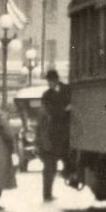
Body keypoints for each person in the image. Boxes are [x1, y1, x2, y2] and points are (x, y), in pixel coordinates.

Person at [38, 69, 71, 202]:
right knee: (50, 167)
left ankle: (69, 175)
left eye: (51, 81)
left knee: (61, 162)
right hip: (52, 135)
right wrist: (64, 110)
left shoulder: (67, 90)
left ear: (56, 80)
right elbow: (50, 112)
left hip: (66, 133)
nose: (49, 83)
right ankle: (47, 193)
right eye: (48, 81)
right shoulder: (46, 95)